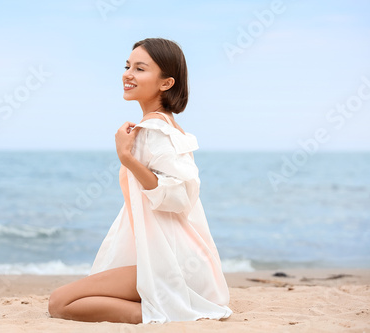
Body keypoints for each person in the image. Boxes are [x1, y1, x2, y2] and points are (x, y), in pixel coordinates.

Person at [48, 38, 232, 324]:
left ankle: (164, 313)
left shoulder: (155, 130)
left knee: (60, 302)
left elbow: (179, 197)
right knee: (69, 299)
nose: (128, 74)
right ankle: (165, 308)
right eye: (127, 66)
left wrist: (127, 158)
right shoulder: (165, 126)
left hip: (175, 265)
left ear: (166, 83)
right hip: (185, 262)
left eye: (140, 69)